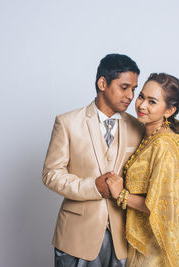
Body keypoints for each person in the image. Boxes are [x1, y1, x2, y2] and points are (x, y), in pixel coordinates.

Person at [42, 54, 144, 266]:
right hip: (76, 235)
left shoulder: (138, 128)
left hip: (123, 237)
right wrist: (93, 187)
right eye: (124, 87)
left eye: (134, 89)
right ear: (102, 83)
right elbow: (51, 174)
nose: (130, 95)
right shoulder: (67, 122)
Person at [106, 73, 179, 266]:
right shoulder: (150, 136)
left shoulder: (164, 145)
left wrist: (120, 195)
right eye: (141, 97)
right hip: (143, 243)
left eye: (152, 101)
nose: (142, 105)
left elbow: (158, 205)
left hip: (155, 252)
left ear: (169, 111)